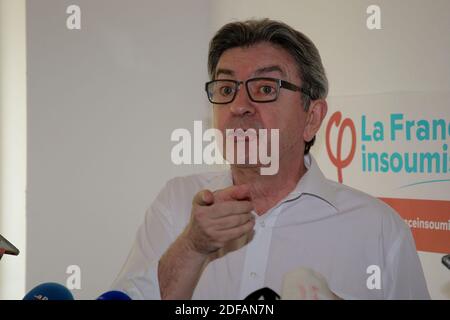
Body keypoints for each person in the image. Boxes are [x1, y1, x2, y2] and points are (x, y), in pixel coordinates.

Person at [112, 18, 430, 299]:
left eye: (265, 88)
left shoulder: (378, 227)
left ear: (312, 118)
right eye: (226, 89)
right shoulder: (176, 203)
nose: (239, 105)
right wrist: (192, 247)